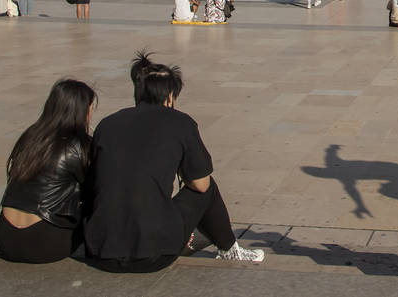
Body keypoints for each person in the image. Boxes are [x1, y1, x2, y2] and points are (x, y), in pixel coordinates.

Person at [83, 52, 263, 270]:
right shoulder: (181, 123)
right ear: (170, 96)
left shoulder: (108, 124)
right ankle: (229, 249)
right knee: (207, 186)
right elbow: (200, 184)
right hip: (154, 254)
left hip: (100, 250)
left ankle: (205, 238)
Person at [0, 79, 96, 263]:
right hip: (44, 242)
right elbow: (95, 189)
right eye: (90, 108)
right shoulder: (79, 145)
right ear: (82, 110)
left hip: (6, 238)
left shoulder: (31, 136)